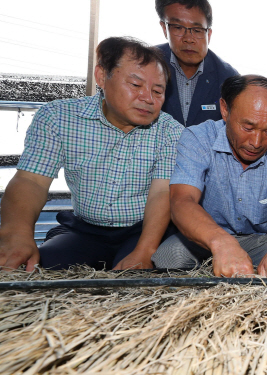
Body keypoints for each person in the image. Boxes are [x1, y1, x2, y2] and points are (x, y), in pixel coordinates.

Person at [0, 37, 183, 271]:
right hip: (83, 229)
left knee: (139, 279)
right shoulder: (58, 117)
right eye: (136, 85)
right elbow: (31, 180)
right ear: (101, 76)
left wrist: (144, 251)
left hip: (144, 230)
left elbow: (161, 193)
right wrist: (16, 233)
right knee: (43, 268)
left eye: (158, 91)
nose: (148, 98)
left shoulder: (170, 131)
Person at [151, 75, 267, 278]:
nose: (256, 142)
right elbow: (182, 201)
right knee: (169, 257)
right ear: (225, 110)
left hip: (257, 240)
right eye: (247, 127)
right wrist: (222, 242)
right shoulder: (197, 138)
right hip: (203, 236)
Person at [156, 0, 238, 126]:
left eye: (197, 30)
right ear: (164, 29)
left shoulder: (228, 78)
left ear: (209, 34)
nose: (188, 39)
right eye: (178, 27)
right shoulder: (145, 65)